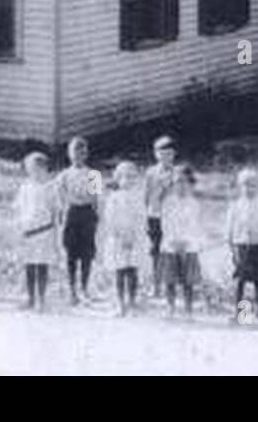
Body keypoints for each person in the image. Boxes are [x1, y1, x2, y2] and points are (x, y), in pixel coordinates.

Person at [57, 136, 102, 305]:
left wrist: (95, 217)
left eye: (82, 152)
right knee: (71, 253)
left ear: (86, 154)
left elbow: (94, 199)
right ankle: (72, 289)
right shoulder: (64, 175)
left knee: (87, 254)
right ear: (69, 154)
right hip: (71, 213)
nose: (78, 156)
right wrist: (64, 213)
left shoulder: (93, 174)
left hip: (87, 214)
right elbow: (61, 197)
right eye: (75, 152)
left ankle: (85, 288)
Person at [14, 151, 60, 312]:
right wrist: (20, 227)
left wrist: (55, 232)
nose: (34, 172)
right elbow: (19, 208)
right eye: (30, 169)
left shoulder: (51, 187)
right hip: (28, 231)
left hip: (45, 231)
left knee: (41, 265)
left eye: (37, 169)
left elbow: (56, 211)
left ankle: (41, 298)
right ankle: (30, 298)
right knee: (29, 265)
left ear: (45, 168)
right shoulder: (25, 187)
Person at [226, 168, 258, 321]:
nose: (249, 189)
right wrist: (232, 248)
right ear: (240, 187)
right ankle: (242, 313)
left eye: (253, 185)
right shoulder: (235, 206)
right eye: (246, 185)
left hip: (257, 246)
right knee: (241, 281)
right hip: (241, 245)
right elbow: (230, 228)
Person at [160, 164, 203, 318]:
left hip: (189, 245)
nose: (181, 185)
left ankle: (188, 310)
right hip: (170, 245)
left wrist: (186, 242)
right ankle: (170, 308)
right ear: (172, 184)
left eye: (185, 182)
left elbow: (194, 225)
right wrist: (173, 241)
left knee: (188, 280)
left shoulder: (194, 203)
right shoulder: (167, 202)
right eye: (178, 181)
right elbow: (165, 224)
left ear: (190, 183)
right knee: (170, 279)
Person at [104, 161, 145, 316]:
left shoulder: (138, 197)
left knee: (132, 270)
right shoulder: (114, 198)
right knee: (120, 271)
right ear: (118, 179)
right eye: (124, 177)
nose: (127, 180)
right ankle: (120, 303)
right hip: (118, 240)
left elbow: (141, 219)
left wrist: (134, 236)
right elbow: (110, 219)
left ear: (136, 179)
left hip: (134, 239)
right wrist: (120, 236)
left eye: (131, 177)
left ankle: (132, 302)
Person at [144, 134, 177, 298]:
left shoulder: (177, 173)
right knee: (155, 250)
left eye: (169, 154)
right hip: (154, 216)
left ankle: (170, 285)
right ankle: (156, 285)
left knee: (170, 251)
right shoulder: (151, 173)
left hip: (171, 217)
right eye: (162, 154)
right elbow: (146, 195)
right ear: (156, 154)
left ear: (174, 154)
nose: (166, 157)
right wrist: (144, 215)